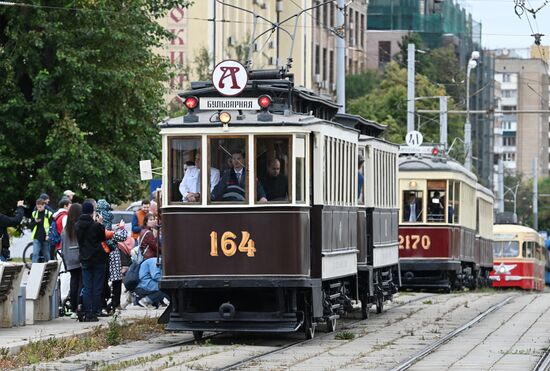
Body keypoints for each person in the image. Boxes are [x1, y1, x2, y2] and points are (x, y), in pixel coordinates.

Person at [75, 200, 109, 322]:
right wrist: (100, 224)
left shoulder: (77, 225)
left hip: (84, 258)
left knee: (87, 286)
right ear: (92, 212)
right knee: (97, 286)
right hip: (98, 258)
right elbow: (102, 237)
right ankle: (94, 312)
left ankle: (87, 311)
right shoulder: (95, 225)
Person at [61, 203, 82, 319]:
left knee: (73, 282)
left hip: (70, 260)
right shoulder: (78, 228)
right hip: (79, 259)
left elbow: (63, 248)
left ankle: (73, 308)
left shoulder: (65, 230)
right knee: (80, 283)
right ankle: (79, 305)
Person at [30, 198, 53, 263]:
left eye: (40, 207)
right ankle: (33, 270)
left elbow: (52, 226)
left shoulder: (49, 213)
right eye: (37, 207)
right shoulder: (34, 214)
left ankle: (48, 269)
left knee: (46, 255)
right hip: (37, 237)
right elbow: (30, 226)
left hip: (46, 237)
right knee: (35, 254)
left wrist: (48, 235)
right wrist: (35, 222)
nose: (38, 209)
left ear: (44, 205)